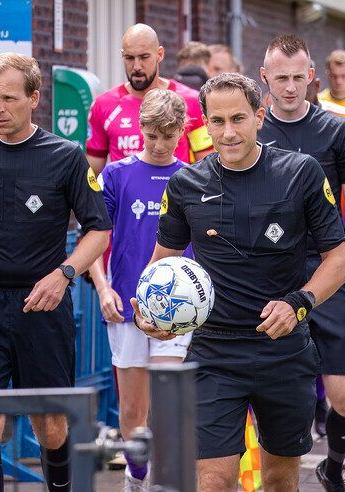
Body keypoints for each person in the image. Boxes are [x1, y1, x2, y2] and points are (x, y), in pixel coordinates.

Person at [132, 72, 345, 492]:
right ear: (204, 123)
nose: (228, 132)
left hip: (284, 350)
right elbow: (162, 263)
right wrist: (148, 310)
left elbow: (338, 261)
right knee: (214, 481)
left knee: (280, 480)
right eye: (217, 121)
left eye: (238, 119)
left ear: (260, 116)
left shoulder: (300, 173)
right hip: (214, 352)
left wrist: (298, 303)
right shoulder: (185, 184)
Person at [0, 52, 112, 492]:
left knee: (49, 420)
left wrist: (64, 274)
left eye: (9, 98)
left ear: (34, 98)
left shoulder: (66, 156)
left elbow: (99, 232)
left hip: (43, 306)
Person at [258, 34, 345, 491]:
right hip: (269, 278)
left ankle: (331, 467)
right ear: (265, 78)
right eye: (281, 79)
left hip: (329, 273)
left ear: (311, 76)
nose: (290, 87)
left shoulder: (337, 131)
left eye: (298, 78)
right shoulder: (251, 131)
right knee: (276, 397)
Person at [88, 89, 193, 491]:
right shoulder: (116, 174)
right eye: (153, 135)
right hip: (126, 305)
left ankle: (163, 484)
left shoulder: (191, 177)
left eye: (169, 136)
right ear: (140, 129)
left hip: (176, 309)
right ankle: (136, 480)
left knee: (166, 405)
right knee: (133, 408)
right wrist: (103, 289)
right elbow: (95, 238)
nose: (160, 144)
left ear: (182, 132)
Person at [86, 24, 213, 173]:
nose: (137, 66)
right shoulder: (103, 105)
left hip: (176, 194)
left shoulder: (191, 101)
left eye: (144, 57)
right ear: (122, 56)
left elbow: (207, 167)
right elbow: (92, 175)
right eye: (129, 58)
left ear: (160, 54)